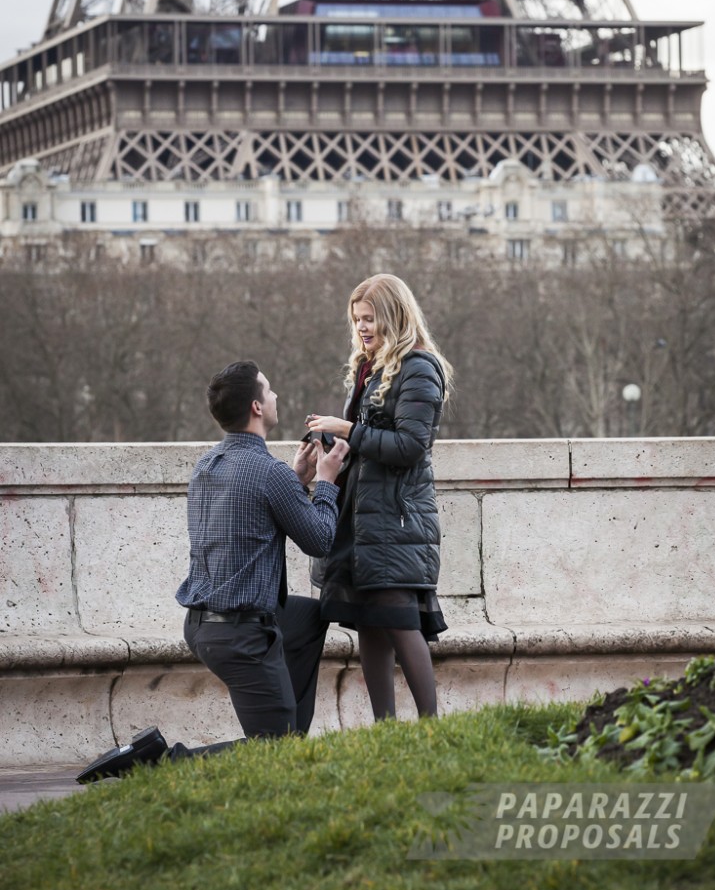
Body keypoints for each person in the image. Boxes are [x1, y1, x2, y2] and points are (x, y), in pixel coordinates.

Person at [77, 359, 348, 783]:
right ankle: (158, 762)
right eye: (270, 390)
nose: (276, 397)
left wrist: (297, 480)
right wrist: (327, 481)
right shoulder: (268, 472)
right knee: (273, 751)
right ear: (257, 408)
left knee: (311, 618)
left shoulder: (208, 466)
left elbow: (251, 517)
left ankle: (286, 726)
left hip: (204, 625)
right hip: (241, 634)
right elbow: (319, 540)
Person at [305, 273, 452, 721]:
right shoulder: (372, 367)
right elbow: (373, 444)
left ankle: (431, 726)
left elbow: (410, 447)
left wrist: (347, 429)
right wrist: (333, 448)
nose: (363, 328)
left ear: (394, 315)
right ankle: (385, 729)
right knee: (366, 619)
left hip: (396, 520)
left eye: (370, 318)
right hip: (363, 518)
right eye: (357, 320)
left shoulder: (418, 367)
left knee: (400, 619)